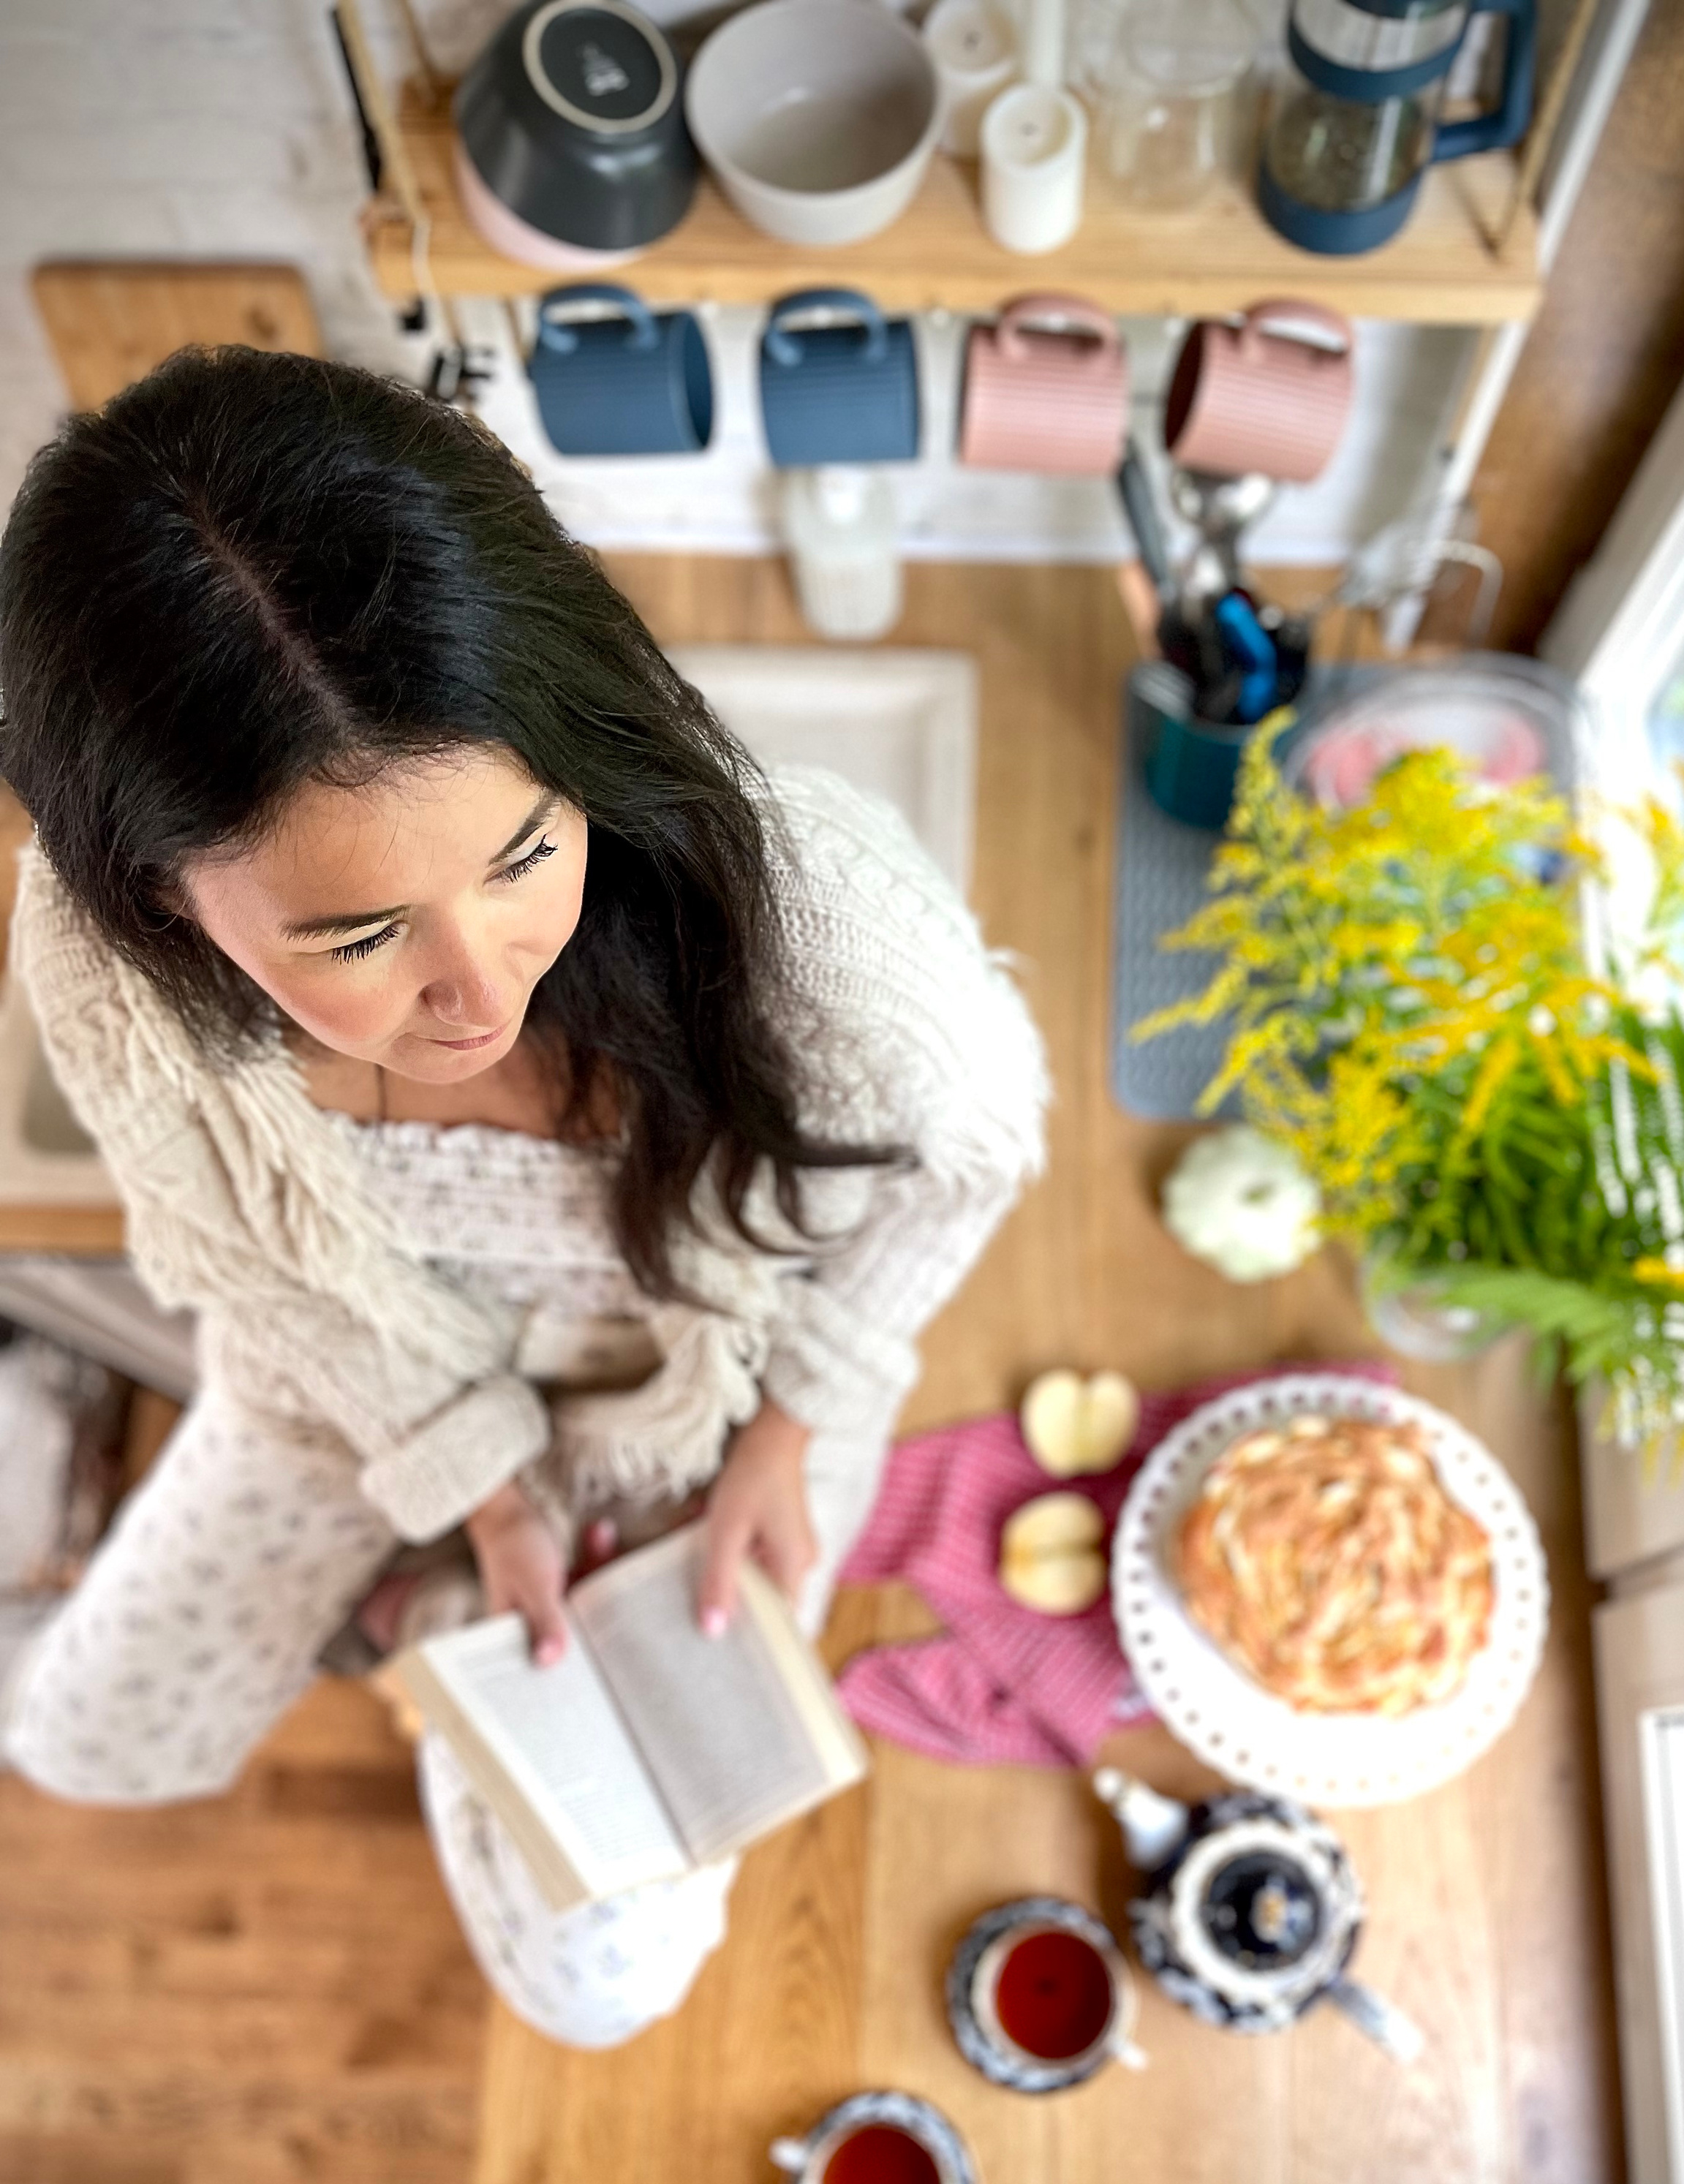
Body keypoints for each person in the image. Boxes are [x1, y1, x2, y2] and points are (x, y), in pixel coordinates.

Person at [0, 348, 1047, 2049]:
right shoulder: (107, 974)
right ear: (165, 904)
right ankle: (425, 1601)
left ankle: (416, 1619)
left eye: (523, 855)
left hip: (709, 1401)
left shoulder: (814, 915)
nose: (480, 991)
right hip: (368, 1371)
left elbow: (975, 1152)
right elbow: (258, 1270)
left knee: (601, 1983)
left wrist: (800, 1417)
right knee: (88, 1734)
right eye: (358, 936)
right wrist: (483, 1494)